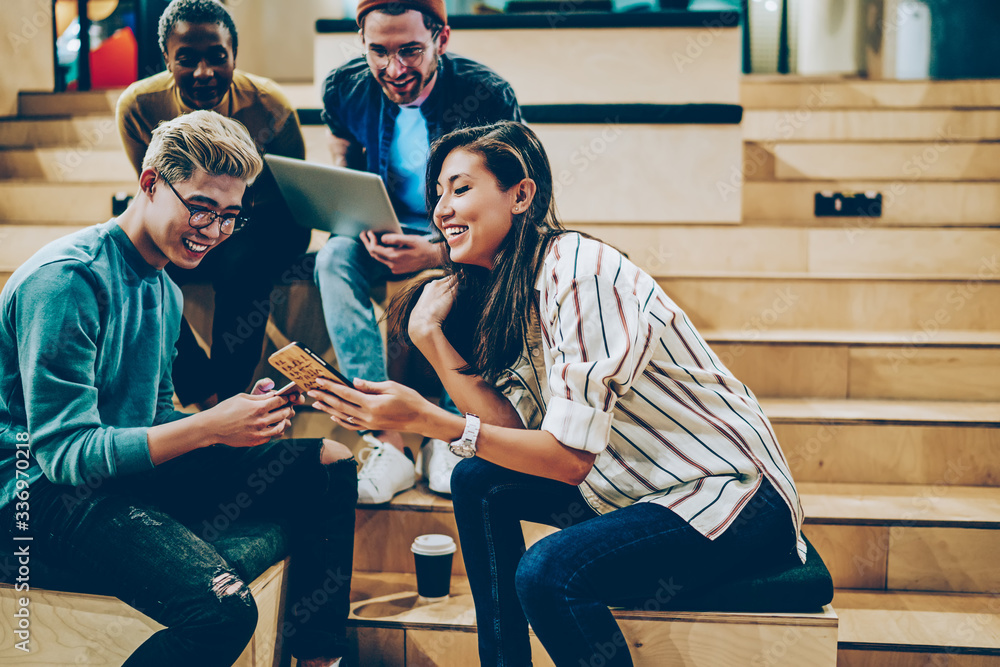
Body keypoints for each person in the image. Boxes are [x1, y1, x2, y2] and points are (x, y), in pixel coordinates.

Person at [308, 121, 808, 666]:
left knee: (548, 572)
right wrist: (429, 339)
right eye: (437, 196)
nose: (441, 211)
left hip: (729, 494)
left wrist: (433, 420)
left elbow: (567, 461)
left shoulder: (578, 272)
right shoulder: (496, 291)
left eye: (460, 189)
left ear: (520, 194)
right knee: (476, 477)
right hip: (636, 485)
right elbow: (519, 439)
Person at [0, 111, 355, 667]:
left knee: (328, 463)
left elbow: (153, 413)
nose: (213, 231)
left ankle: (318, 660)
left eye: (230, 217)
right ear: (149, 183)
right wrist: (209, 427)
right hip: (37, 493)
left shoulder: (164, 289)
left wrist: (238, 420)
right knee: (223, 609)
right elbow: (67, 456)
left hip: (115, 472)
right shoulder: (67, 281)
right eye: (201, 207)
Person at [315, 0, 523, 504]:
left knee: (475, 267)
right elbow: (341, 148)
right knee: (332, 258)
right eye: (378, 52)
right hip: (383, 224)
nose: (394, 69)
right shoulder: (345, 86)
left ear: (441, 40)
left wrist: (436, 253)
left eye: (410, 51)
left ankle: (452, 432)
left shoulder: (486, 94)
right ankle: (384, 439)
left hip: (461, 232)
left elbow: (511, 214)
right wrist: (352, 213)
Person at [116, 0, 311, 410]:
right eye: (186, 59)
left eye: (217, 57)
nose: (203, 72)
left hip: (262, 219)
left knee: (244, 263)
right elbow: (159, 195)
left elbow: (290, 200)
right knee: (133, 260)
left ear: (234, 57)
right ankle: (205, 396)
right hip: (189, 212)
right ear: (167, 59)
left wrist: (223, 222)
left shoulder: (270, 106)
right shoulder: (138, 106)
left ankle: (231, 398)